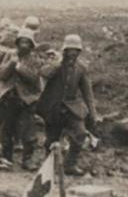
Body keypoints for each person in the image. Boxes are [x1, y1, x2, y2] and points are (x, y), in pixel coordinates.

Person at [37, 34, 97, 175]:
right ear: (64, 50)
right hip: (54, 107)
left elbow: (88, 93)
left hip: (72, 107)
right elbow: (44, 73)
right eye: (69, 50)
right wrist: (57, 63)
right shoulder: (55, 65)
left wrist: (93, 113)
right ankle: (49, 167)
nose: (72, 54)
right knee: (51, 139)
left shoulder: (82, 68)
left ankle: (69, 165)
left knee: (80, 133)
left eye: (75, 51)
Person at [0, 27, 43, 169]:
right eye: (21, 42)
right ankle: (6, 158)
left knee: (29, 131)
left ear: (31, 45)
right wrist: (11, 63)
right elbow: (1, 74)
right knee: (5, 130)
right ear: (17, 43)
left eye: (27, 42)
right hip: (7, 97)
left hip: (26, 99)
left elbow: (33, 78)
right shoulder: (9, 55)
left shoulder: (35, 59)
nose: (24, 45)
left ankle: (28, 160)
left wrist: (18, 66)